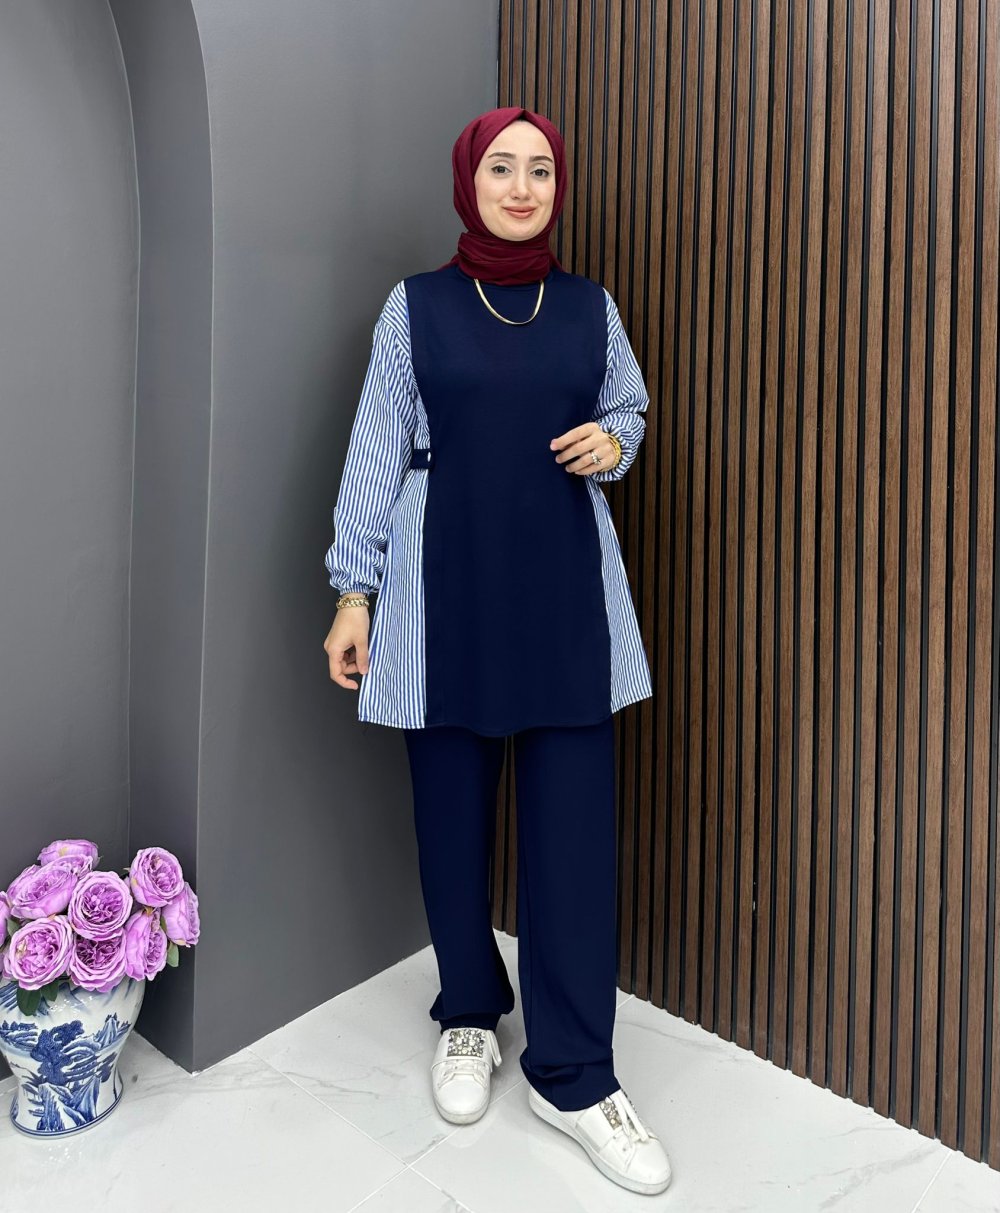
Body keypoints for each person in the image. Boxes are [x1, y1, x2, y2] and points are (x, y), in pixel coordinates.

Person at [322, 106, 670, 1197]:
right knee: (451, 820)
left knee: (573, 840)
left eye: (542, 170)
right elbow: (376, 446)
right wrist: (352, 593)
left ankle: (574, 1073)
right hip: (442, 590)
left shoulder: (590, 307)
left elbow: (628, 405)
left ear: (558, 188)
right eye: (503, 169)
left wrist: (617, 440)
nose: (523, 187)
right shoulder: (416, 307)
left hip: (563, 590)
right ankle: (469, 1010)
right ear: (468, 182)